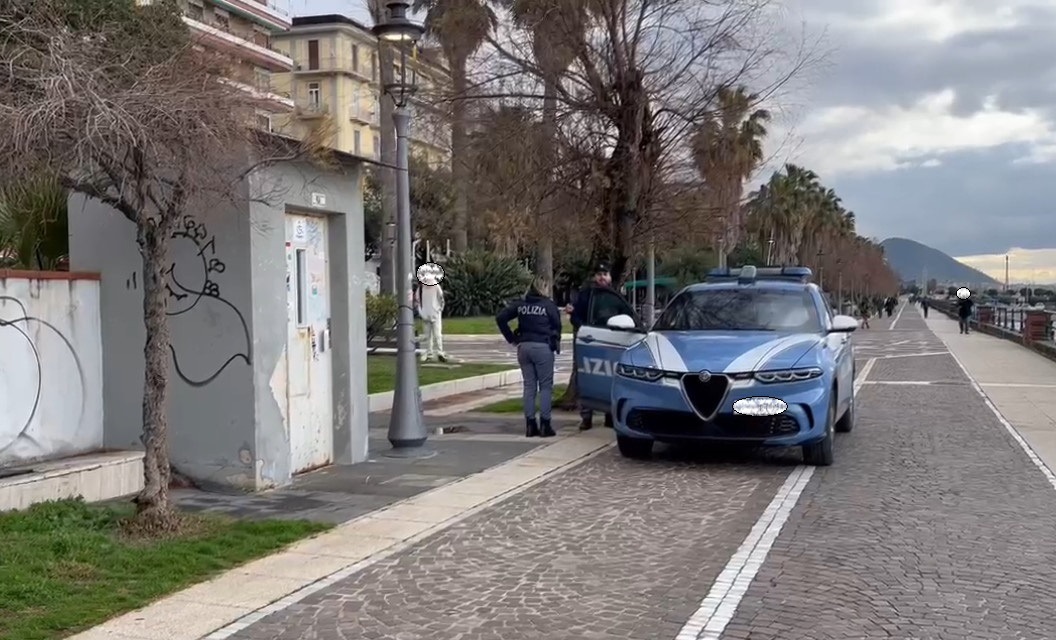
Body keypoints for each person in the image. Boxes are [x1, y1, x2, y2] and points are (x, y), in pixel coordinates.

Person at [496, 278, 562, 438]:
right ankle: (545, 425)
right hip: (542, 347)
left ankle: (530, 425)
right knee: (545, 387)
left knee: (529, 386)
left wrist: (511, 338)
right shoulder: (548, 305)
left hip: (524, 347)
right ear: (544, 289)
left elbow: (500, 318)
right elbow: (557, 325)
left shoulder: (521, 304)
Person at [566, 263, 614, 431]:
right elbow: (575, 317)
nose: (602, 277)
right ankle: (586, 417)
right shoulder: (585, 295)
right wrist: (584, 329)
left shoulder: (614, 296)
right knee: (585, 378)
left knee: (612, 378)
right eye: (599, 274)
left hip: (612, 342)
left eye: (605, 274)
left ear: (610, 277)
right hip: (589, 342)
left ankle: (611, 416)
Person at [416, 280, 448, 362]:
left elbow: (441, 298)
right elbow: (418, 301)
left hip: (432, 314)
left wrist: (438, 310)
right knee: (432, 335)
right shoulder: (421, 288)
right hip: (428, 315)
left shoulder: (432, 287)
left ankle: (435, 353)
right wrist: (422, 312)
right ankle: (434, 353)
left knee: (434, 335)